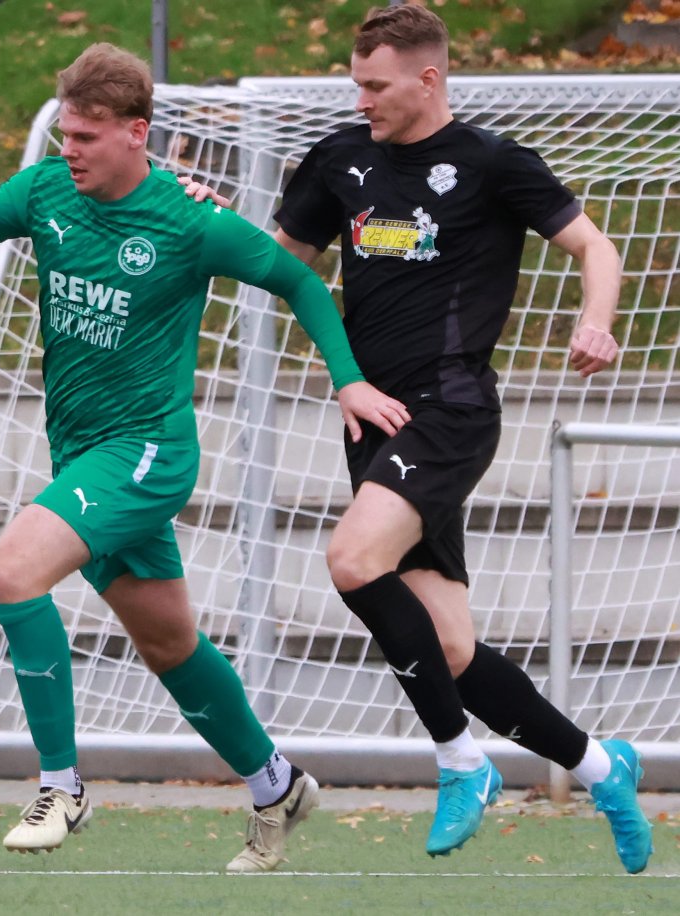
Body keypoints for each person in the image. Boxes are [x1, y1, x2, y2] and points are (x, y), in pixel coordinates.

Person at [0, 42, 409, 873]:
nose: (67, 147)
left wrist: (349, 381)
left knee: (12, 572)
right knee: (171, 643)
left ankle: (62, 786)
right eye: (64, 131)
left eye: (85, 135)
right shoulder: (45, 192)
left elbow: (299, 283)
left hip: (147, 454)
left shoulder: (190, 221)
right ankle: (276, 784)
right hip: (80, 451)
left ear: (137, 133)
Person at [267, 4, 652, 872]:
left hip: (448, 411)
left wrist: (598, 322)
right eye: (354, 83)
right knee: (447, 647)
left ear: (427, 78)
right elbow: (279, 262)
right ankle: (602, 767)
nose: (360, 99)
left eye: (375, 85)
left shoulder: (489, 163)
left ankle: (460, 763)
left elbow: (595, 247)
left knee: (353, 560)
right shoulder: (340, 159)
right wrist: (207, 223)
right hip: (371, 418)